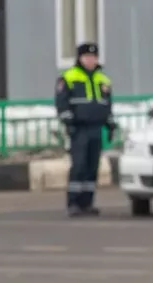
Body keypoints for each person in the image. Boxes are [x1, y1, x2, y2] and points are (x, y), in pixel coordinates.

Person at [55, 42, 117, 217]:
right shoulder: (68, 77)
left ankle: (87, 203)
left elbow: (107, 105)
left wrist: (110, 124)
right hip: (79, 128)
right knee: (79, 166)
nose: (90, 60)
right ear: (80, 58)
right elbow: (62, 103)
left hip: (96, 128)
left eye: (93, 57)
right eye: (86, 57)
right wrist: (68, 122)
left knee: (92, 167)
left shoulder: (103, 80)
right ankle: (73, 202)